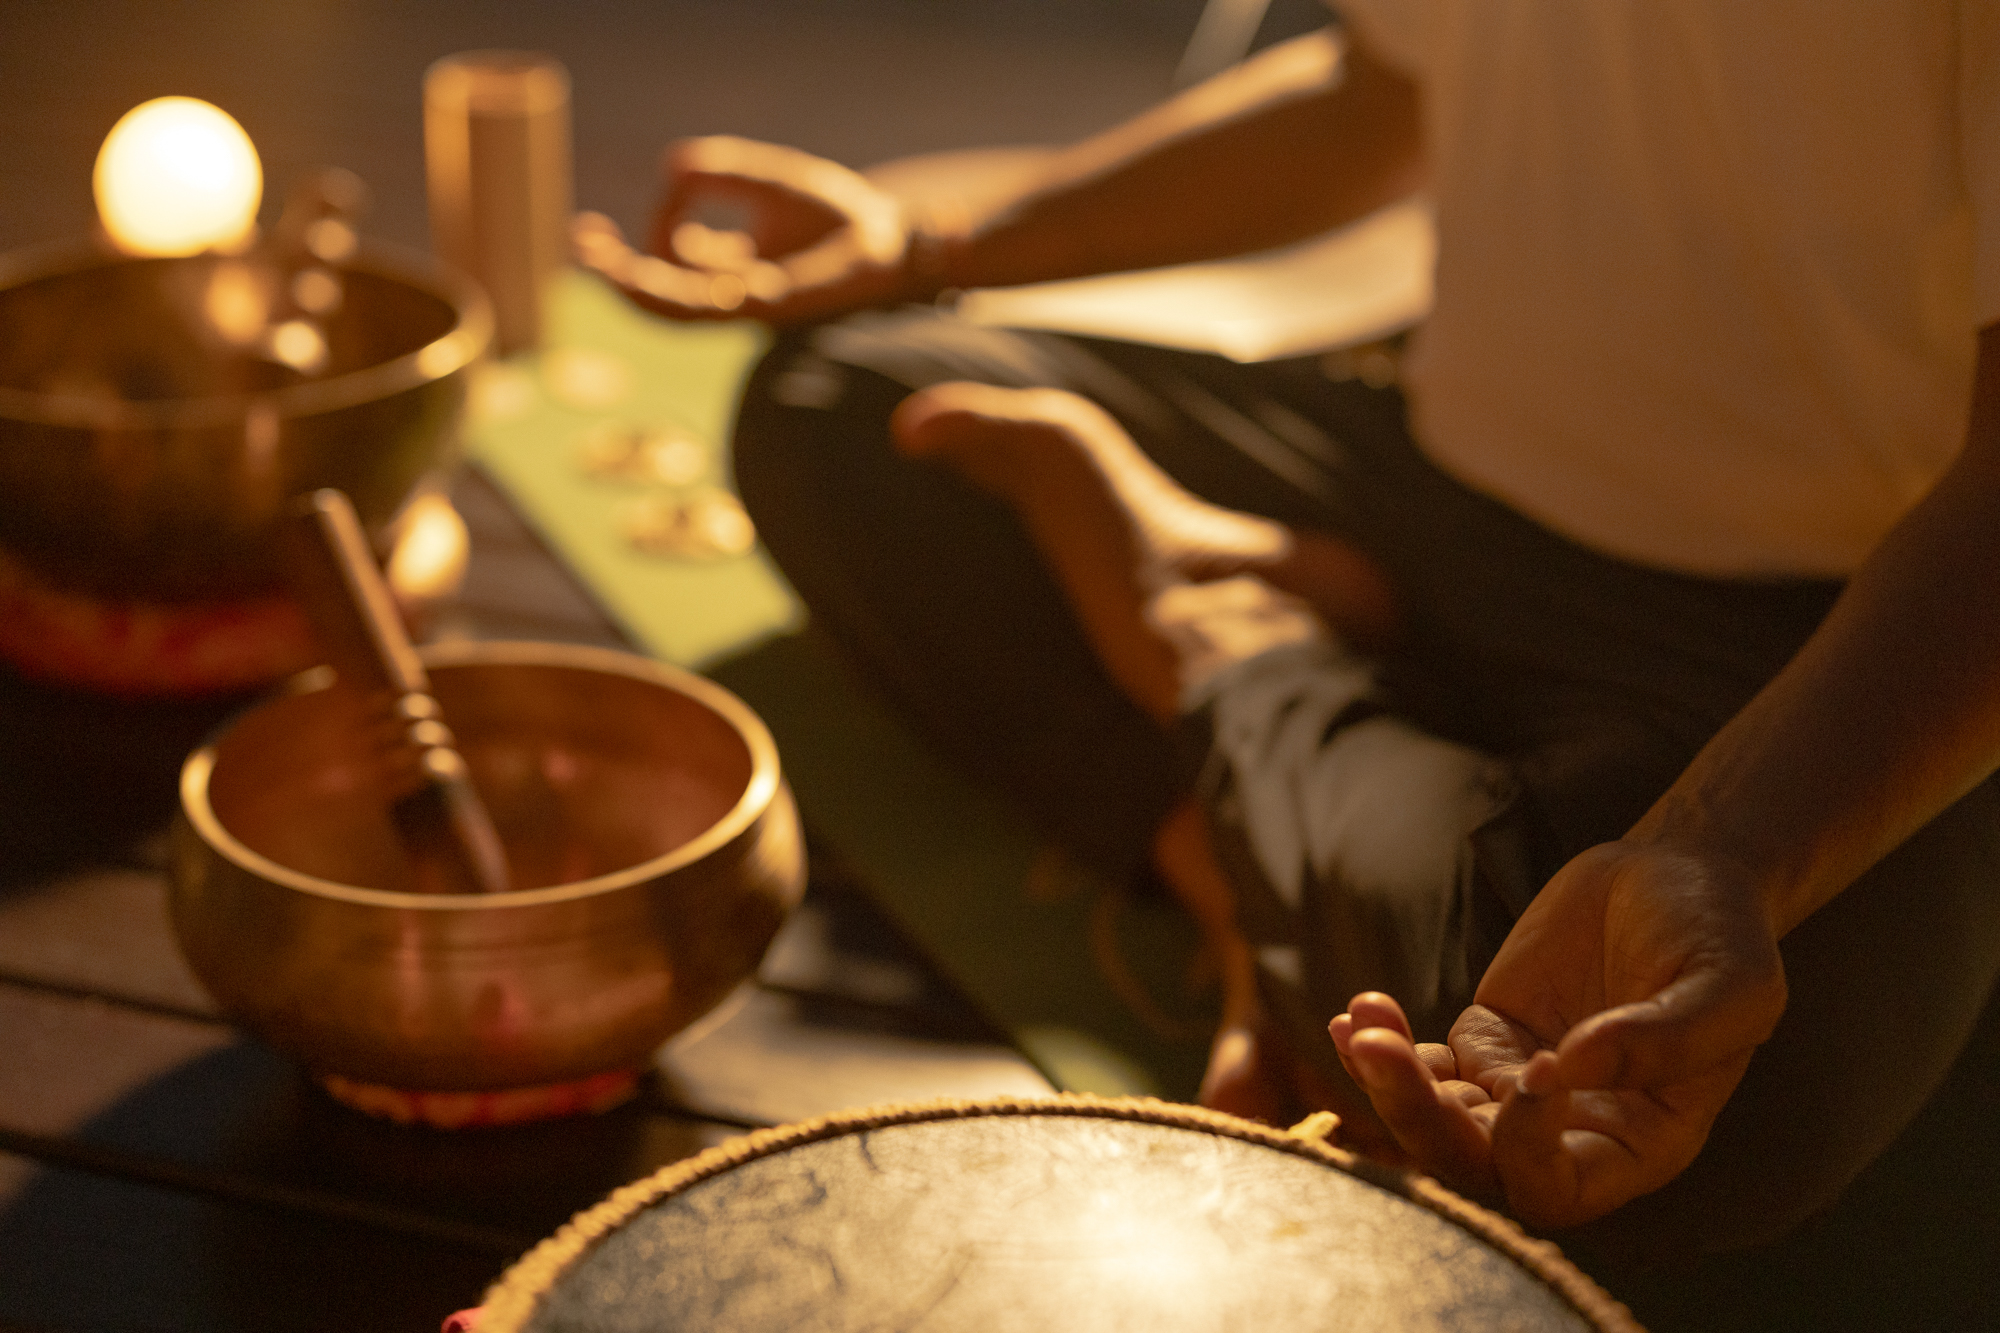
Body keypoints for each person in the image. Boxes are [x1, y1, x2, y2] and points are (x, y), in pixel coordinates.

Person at [576, 2, 2000, 1259]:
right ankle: (1251, 847)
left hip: (1818, 625)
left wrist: (1720, 851)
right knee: (844, 407)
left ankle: (1231, 639)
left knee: (1626, 1105)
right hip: (1419, 481)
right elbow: (1378, 95)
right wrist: (934, 246)